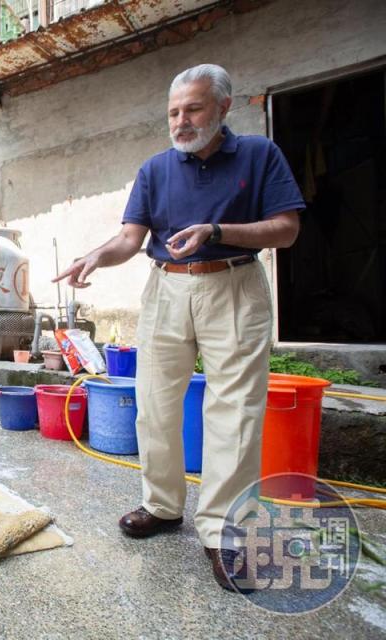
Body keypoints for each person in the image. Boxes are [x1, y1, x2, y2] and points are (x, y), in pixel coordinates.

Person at [53, 64, 303, 592]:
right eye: (173, 112)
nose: (181, 121)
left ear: (222, 107)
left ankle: (225, 533)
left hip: (233, 283)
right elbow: (129, 237)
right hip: (166, 288)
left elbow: (286, 229)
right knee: (155, 402)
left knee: (234, 412)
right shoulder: (156, 169)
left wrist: (218, 230)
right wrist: (95, 256)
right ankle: (163, 505)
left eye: (192, 109)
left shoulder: (259, 155)